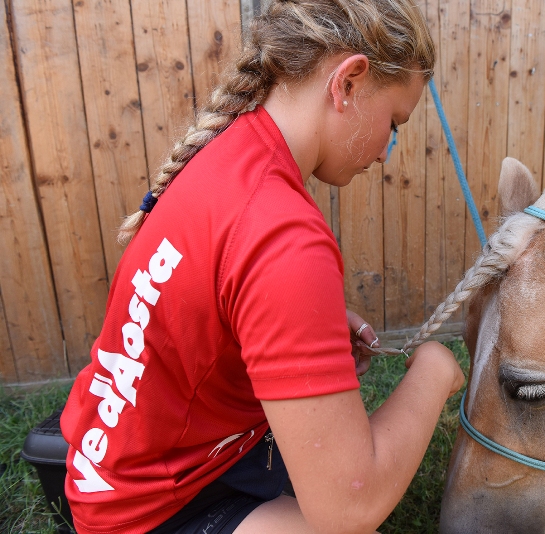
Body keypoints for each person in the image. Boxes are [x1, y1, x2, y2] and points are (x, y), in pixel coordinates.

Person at [59, 0, 465, 532]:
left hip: (109, 469)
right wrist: (434, 372)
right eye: (394, 123)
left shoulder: (233, 155)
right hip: (143, 514)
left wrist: (281, 323)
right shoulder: (281, 234)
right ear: (348, 82)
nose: (387, 150)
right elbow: (349, 507)